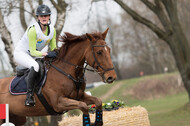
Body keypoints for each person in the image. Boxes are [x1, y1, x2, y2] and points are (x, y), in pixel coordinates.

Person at [14, 4, 57, 107]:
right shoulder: (33, 30)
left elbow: (54, 48)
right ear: (37, 17)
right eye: (41, 16)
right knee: (36, 66)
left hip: (34, 54)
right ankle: (29, 97)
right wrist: (47, 53)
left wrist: (56, 53)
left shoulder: (52, 30)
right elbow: (33, 52)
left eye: (46, 15)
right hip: (21, 53)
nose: (44, 18)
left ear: (49, 16)